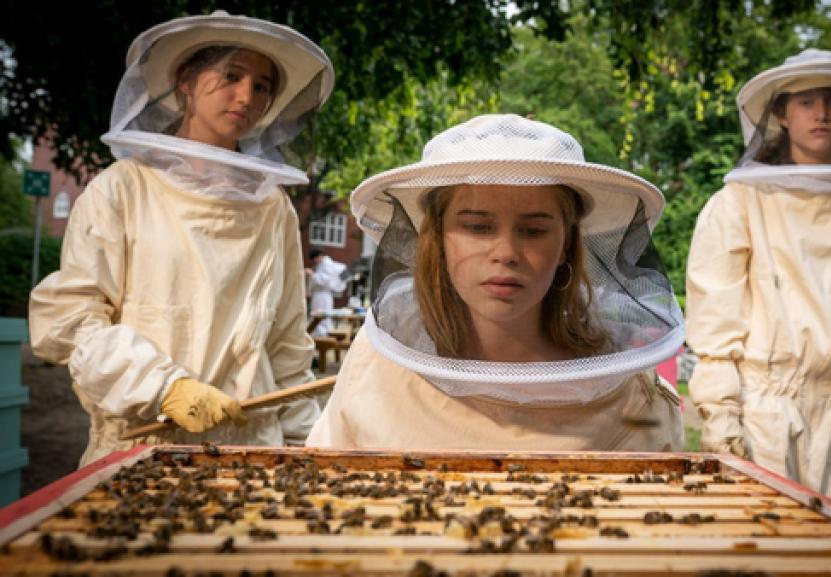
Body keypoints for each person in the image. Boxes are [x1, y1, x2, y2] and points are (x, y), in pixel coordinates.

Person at [29, 12, 335, 466]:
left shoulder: (273, 208)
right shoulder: (122, 188)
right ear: (185, 82)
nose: (246, 96)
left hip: (250, 450)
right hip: (142, 446)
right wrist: (164, 387)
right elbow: (70, 322)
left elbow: (287, 343)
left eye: (262, 85)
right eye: (231, 75)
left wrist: (306, 449)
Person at [306, 114, 686, 451]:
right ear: (437, 240)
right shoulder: (378, 356)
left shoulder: (630, 392)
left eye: (534, 230)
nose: (506, 252)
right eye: (477, 227)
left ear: (566, 246)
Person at [685, 49, 831, 509]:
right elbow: (716, 311)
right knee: (766, 543)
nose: (821, 114)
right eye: (806, 102)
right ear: (781, 114)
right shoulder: (738, 201)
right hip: (765, 406)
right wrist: (720, 409)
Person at [305, 249, 347, 338]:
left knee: (322, 317)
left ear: (320, 256)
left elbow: (326, 280)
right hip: (319, 294)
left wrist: (313, 275)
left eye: (315, 258)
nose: (315, 261)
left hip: (323, 295)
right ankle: (317, 336)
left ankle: (322, 336)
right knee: (317, 315)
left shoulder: (327, 264)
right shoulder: (321, 265)